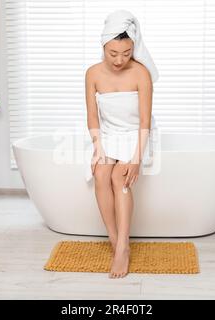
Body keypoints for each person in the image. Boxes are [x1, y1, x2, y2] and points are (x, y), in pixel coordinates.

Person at [85, 10, 159, 279]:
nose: (119, 60)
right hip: (106, 134)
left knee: (120, 177)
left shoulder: (141, 74)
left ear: (134, 48)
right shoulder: (92, 73)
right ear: (103, 46)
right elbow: (92, 117)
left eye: (126, 53)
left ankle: (123, 247)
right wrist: (98, 147)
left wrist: (136, 158)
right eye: (113, 53)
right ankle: (115, 240)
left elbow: (144, 122)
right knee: (101, 172)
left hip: (136, 136)